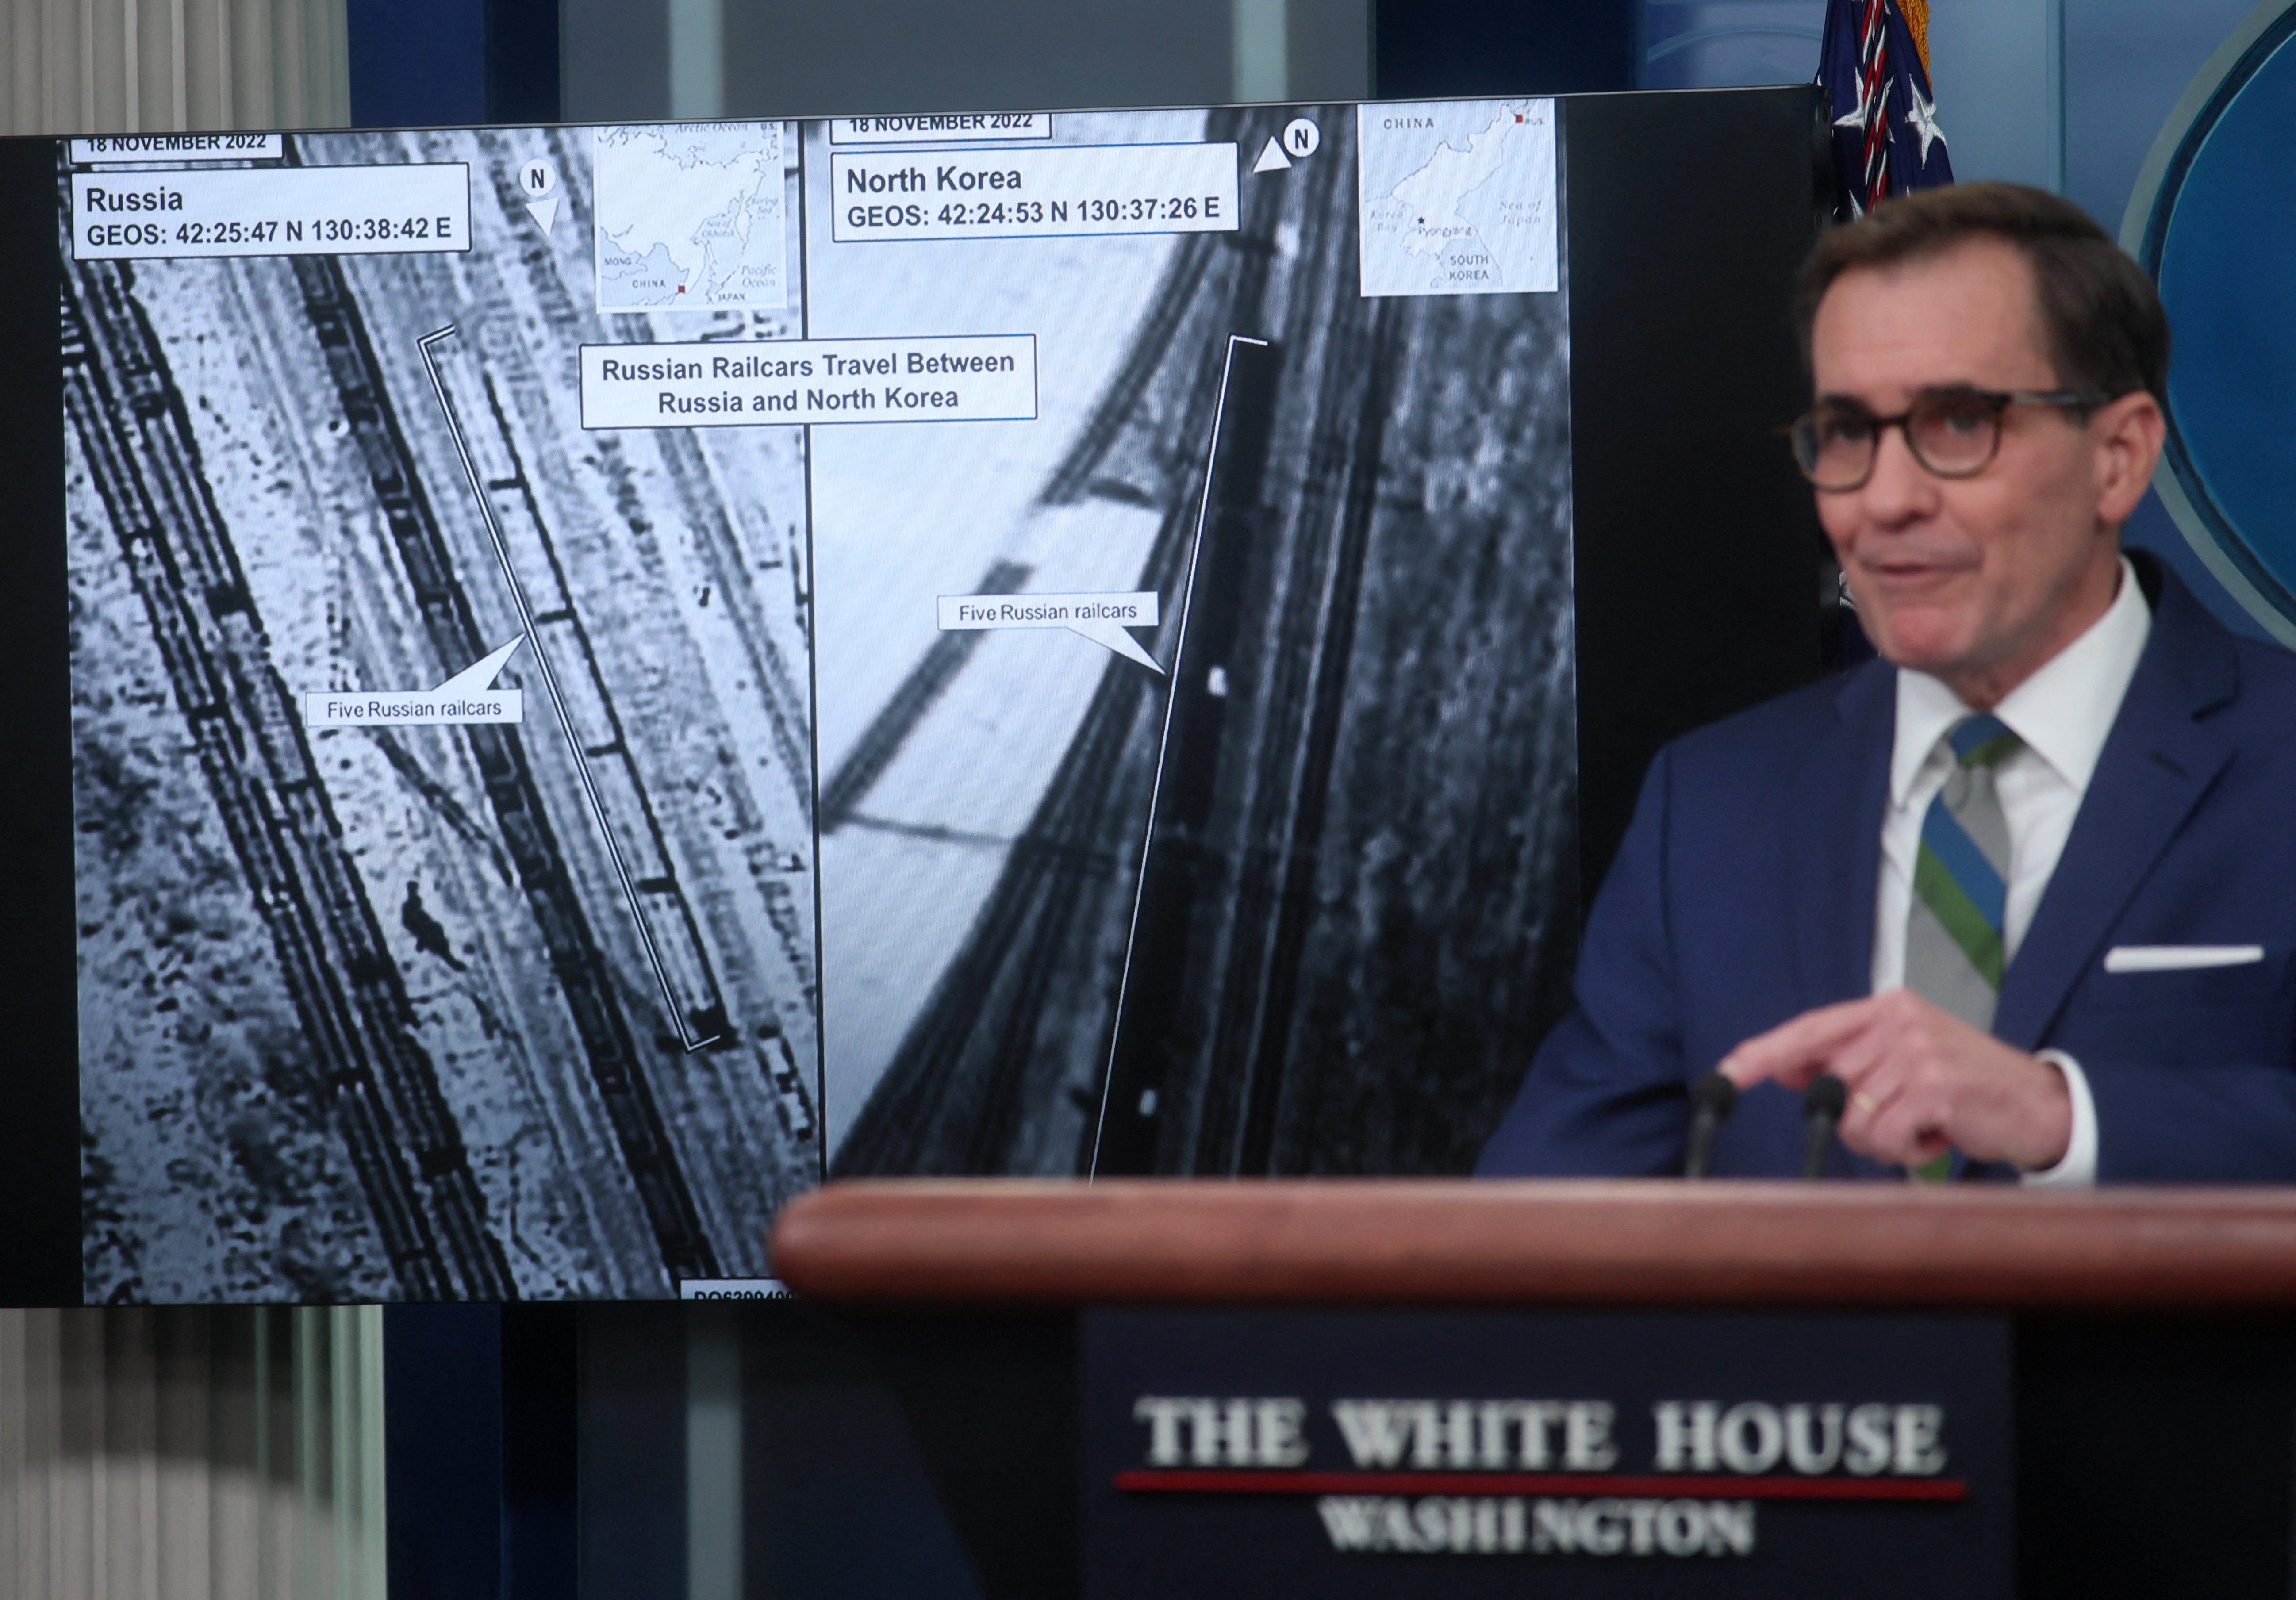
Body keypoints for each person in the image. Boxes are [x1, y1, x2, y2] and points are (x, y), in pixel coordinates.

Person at [1478, 181, 2296, 1183]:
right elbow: (1546, 1233)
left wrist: (2061, 1116)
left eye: (1960, 423)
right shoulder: (1712, 807)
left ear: (2119, 457)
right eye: (1850, 435)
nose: (1888, 501)